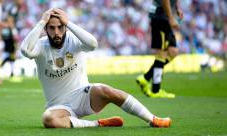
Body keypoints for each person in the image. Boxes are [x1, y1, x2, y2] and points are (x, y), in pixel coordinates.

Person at [21, 8, 171, 128]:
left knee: (105, 90)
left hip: (83, 96)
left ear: (65, 27)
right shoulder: (40, 45)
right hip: (60, 107)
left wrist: (69, 23)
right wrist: (41, 22)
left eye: (60, 27)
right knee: (48, 119)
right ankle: (97, 124)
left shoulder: (74, 40)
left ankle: (153, 119)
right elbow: (26, 50)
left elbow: (93, 44)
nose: (56, 32)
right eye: (51, 28)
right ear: (46, 29)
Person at [136, 0, 192, 98]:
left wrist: (177, 7)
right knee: (162, 51)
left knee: (173, 51)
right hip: (161, 16)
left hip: (165, 15)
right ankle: (155, 90)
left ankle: (145, 77)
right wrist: (171, 17)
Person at [0, 0, 24, 82]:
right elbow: (10, 20)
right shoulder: (14, 7)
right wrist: (14, 32)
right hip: (9, 32)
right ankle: (9, 72)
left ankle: (8, 71)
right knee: (12, 52)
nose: (22, 1)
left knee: (10, 52)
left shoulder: (13, 7)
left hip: (7, 32)